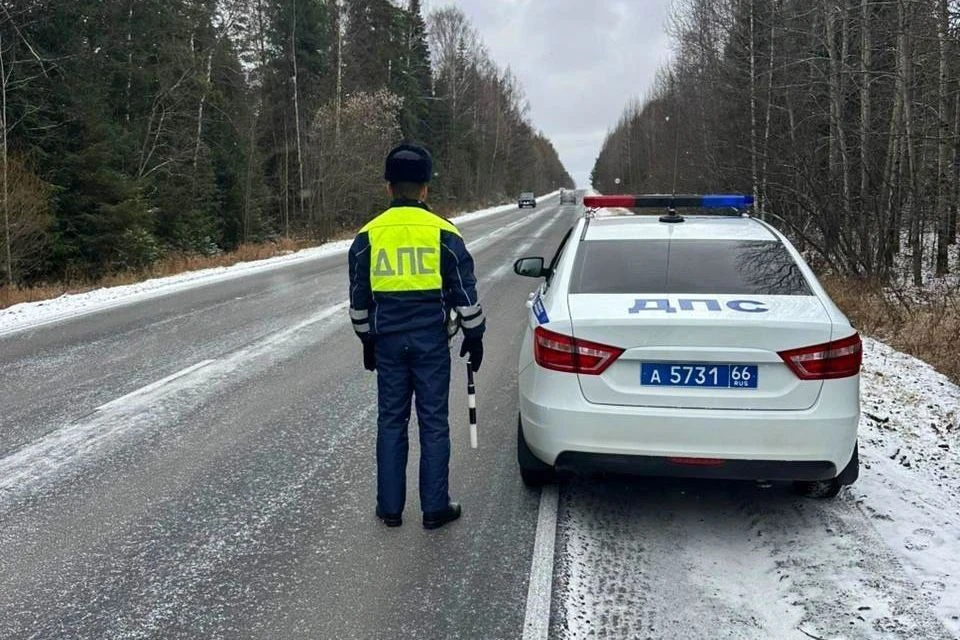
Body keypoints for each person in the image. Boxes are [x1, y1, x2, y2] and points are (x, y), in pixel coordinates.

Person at [348, 143, 485, 530]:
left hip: (389, 343)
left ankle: (390, 509)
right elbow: (464, 291)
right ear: (425, 188)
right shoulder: (444, 232)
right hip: (431, 344)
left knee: (391, 422)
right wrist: (475, 336)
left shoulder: (367, 236)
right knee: (433, 423)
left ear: (389, 187)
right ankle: (434, 507)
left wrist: (367, 340)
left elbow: (359, 301)